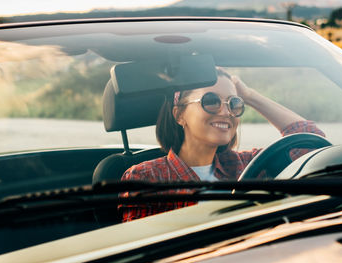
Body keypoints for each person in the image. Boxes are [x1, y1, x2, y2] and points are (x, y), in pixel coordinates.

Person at [120, 69, 325, 221]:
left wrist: (250, 96)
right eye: (211, 101)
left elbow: (312, 145)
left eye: (234, 103)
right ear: (179, 114)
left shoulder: (246, 165)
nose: (226, 112)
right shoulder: (146, 178)